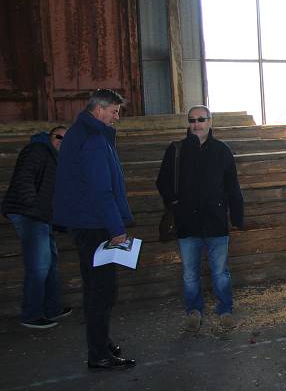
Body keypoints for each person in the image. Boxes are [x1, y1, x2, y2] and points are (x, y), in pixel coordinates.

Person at [53, 88, 136, 370]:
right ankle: (99, 354)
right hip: (95, 226)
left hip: (83, 223)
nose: (116, 117)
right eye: (114, 112)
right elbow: (101, 190)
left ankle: (100, 341)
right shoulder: (93, 139)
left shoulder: (78, 133)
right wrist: (117, 229)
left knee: (94, 288)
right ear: (99, 109)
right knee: (102, 290)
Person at [156, 105, 244, 332]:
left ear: (210, 121)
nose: (196, 124)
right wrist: (174, 204)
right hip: (187, 224)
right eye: (192, 120)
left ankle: (225, 310)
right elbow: (162, 182)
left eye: (201, 119)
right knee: (189, 273)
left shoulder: (222, 151)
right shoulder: (176, 150)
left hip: (216, 222)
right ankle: (194, 310)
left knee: (220, 272)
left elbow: (232, 186)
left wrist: (237, 216)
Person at [2, 126, 72, 329]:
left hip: (41, 215)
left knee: (51, 262)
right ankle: (31, 314)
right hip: (28, 214)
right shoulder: (37, 150)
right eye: (58, 136)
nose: (61, 141)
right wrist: (33, 207)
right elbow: (24, 180)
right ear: (50, 137)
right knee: (39, 265)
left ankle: (52, 308)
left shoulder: (57, 159)